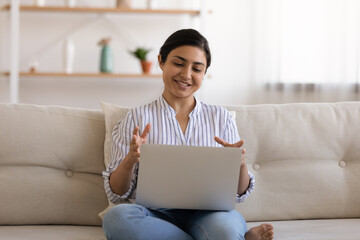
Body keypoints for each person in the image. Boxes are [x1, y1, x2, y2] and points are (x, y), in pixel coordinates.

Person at [102, 28, 274, 240]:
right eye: (178, 63)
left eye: (197, 68)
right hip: (153, 216)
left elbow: (239, 194)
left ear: (204, 73)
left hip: (209, 216)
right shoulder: (136, 118)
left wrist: (239, 165)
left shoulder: (221, 118)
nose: (186, 74)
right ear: (161, 61)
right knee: (116, 218)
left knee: (225, 229)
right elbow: (117, 193)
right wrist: (129, 160)